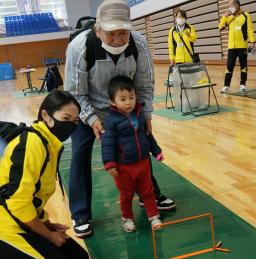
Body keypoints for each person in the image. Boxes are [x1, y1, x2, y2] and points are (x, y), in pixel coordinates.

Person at [64, 0, 175, 238]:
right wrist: (92, 119)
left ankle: (150, 195)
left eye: (122, 33)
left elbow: (145, 84)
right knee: (80, 153)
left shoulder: (139, 44)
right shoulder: (78, 48)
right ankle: (81, 213)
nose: (117, 39)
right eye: (110, 34)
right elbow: (74, 93)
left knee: (140, 146)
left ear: (130, 29)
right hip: (87, 108)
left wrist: (146, 115)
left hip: (126, 107)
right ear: (97, 29)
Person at [0, 90, 89, 259]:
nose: (71, 125)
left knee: (79, 256)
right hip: (6, 228)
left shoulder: (49, 144)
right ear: (46, 115)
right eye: (65, 118)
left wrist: (47, 224)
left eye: (75, 121)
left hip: (20, 220)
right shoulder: (33, 144)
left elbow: (33, 197)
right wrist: (48, 235)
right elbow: (17, 202)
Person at [102, 76, 163, 232]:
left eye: (131, 97)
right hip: (123, 167)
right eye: (123, 99)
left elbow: (148, 135)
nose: (128, 102)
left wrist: (156, 151)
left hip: (143, 162)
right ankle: (127, 218)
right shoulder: (111, 121)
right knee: (126, 194)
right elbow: (107, 143)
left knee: (148, 191)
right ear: (112, 101)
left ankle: (153, 216)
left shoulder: (139, 115)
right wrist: (109, 163)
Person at [219, 0, 256, 93]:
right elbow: (220, 27)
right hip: (231, 46)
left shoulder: (246, 15)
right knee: (229, 66)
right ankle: (226, 85)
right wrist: (225, 16)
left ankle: (243, 84)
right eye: (228, 6)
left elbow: (250, 29)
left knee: (243, 65)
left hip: (242, 45)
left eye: (231, 5)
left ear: (236, 5)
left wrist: (252, 41)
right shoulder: (229, 17)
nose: (229, 7)